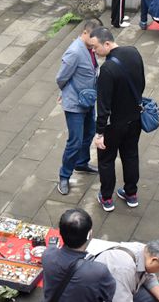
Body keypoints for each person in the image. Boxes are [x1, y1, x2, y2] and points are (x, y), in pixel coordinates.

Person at [89, 27, 145, 212]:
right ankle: (131, 194)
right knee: (131, 156)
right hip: (135, 119)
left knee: (106, 161)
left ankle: (106, 197)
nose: (94, 51)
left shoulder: (107, 69)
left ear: (106, 43)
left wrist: (99, 133)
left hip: (114, 125)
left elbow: (103, 105)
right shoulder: (134, 52)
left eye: (95, 47)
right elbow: (142, 83)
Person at [56, 19, 101, 195]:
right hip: (75, 103)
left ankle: (81, 163)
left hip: (88, 99)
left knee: (89, 132)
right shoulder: (74, 52)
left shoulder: (90, 48)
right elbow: (61, 77)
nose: (96, 42)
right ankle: (64, 176)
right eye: (94, 38)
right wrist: (65, 91)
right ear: (85, 33)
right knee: (75, 141)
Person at [42, 208, 116, 302]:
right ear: (89, 234)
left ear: (59, 231)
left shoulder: (48, 255)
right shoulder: (99, 271)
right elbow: (108, 295)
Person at [95, 239, 159, 302]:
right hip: (104, 294)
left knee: (153, 299)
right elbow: (120, 299)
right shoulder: (124, 269)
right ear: (153, 260)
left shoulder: (146, 250)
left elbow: (149, 277)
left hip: (126, 286)